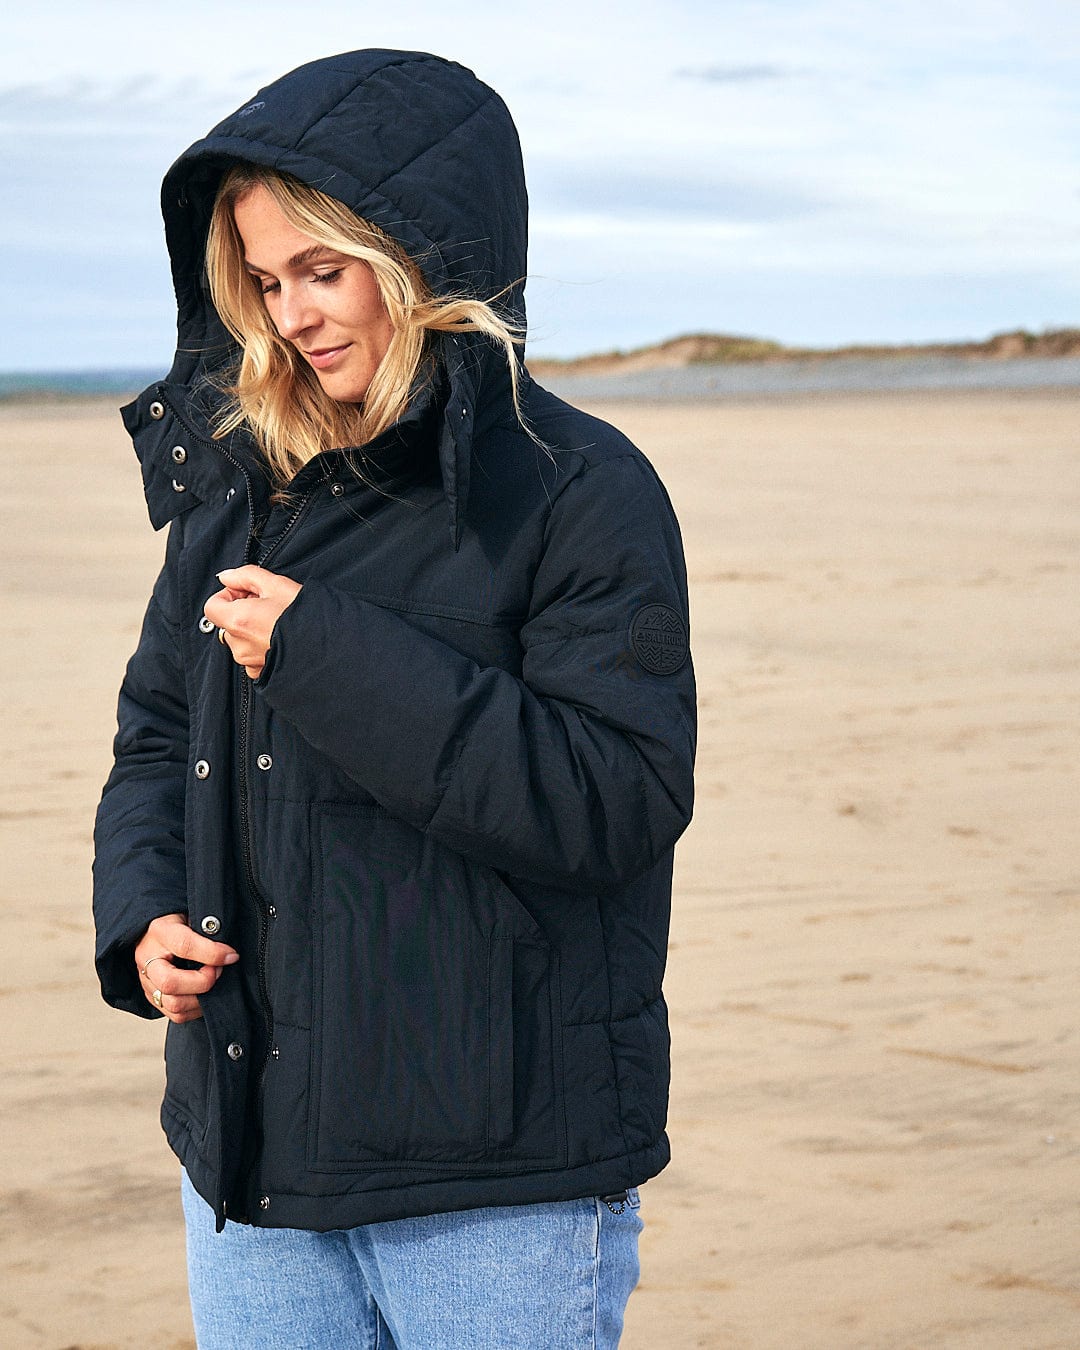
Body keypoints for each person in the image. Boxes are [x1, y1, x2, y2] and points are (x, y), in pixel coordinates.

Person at [93, 49, 696, 1349]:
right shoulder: (240, 490)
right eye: (262, 281)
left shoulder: (579, 491)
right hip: (253, 1164)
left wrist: (329, 655)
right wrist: (140, 913)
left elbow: (615, 800)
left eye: (323, 269)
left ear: (422, 258)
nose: (293, 314)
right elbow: (155, 737)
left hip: (497, 1183)